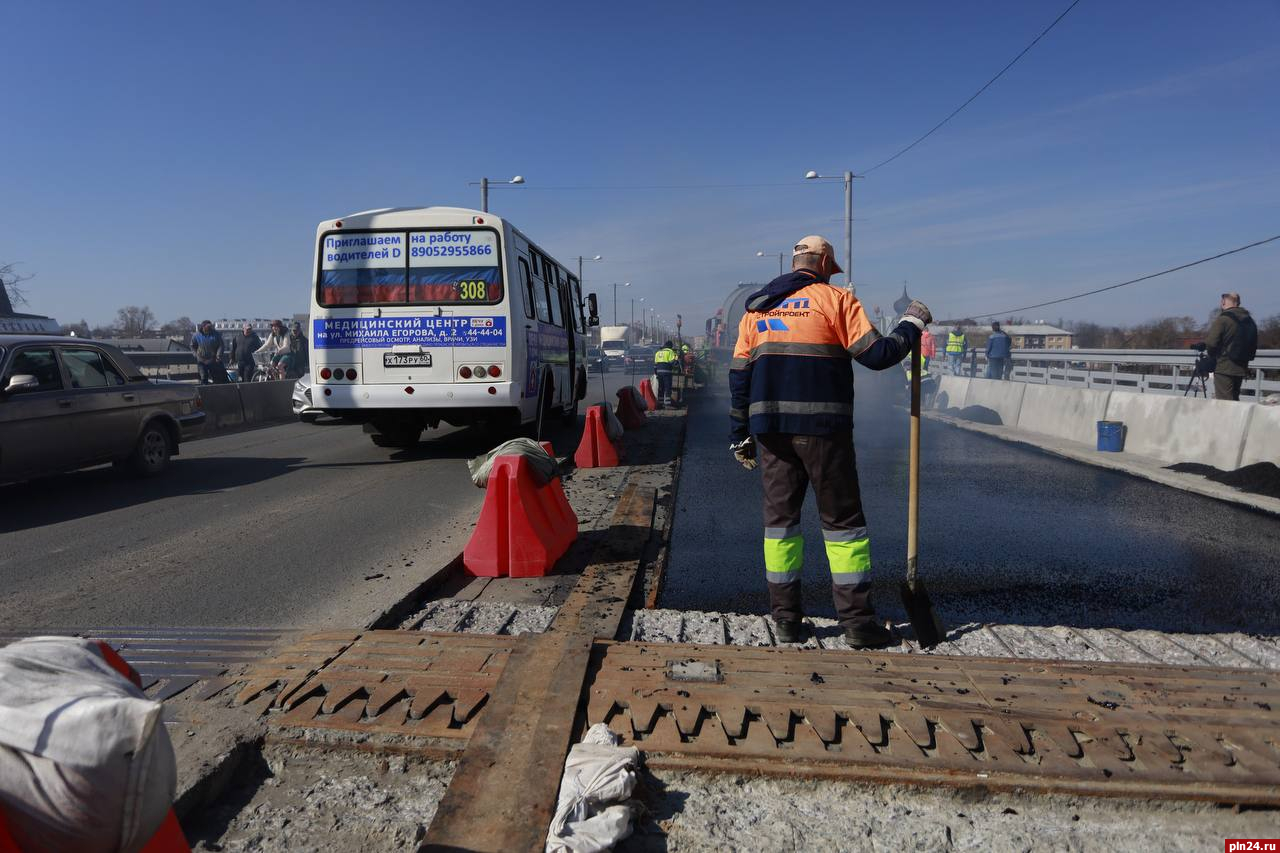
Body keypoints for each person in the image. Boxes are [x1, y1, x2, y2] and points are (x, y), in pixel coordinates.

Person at [729, 235, 932, 649]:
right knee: (843, 528)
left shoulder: (757, 309)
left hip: (771, 432)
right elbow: (877, 355)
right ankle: (857, 624)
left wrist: (738, 435)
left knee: (780, 527)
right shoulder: (835, 301)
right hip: (824, 430)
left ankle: (786, 622)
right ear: (824, 263)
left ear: (794, 262)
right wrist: (912, 323)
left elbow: (739, 376)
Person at [1204, 292, 1258, 401]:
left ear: (1223, 302)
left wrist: (1212, 355)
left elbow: (1211, 342)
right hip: (1242, 365)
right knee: (1234, 398)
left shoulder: (1223, 319)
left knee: (1225, 402)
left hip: (1224, 366)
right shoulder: (1248, 319)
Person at [190, 320, 225, 385]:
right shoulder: (196, 335)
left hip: (213, 360)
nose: (209, 328)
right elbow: (192, 346)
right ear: (203, 327)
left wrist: (218, 355)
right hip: (201, 360)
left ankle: (217, 392)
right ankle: (204, 392)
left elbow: (221, 345)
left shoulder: (216, 334)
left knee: (216, 378)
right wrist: (195, 355)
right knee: (203, 377)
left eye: (210, 326)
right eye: (208, 326)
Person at [654, 340, 678, 406]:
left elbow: (655, 365)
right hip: (667, 372)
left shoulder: (658, 352)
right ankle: (667, 403)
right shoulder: (670, 352)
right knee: (667, 387)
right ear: (670, 346)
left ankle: (660, 403)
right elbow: (673, 363)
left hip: (659, 372)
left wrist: (656, 373)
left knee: (661, 387)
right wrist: (676, 358)